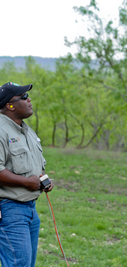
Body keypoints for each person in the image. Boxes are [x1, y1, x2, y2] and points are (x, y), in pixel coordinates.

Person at [0, 82, 54, 267]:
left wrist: (43, 180)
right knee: (18, 264)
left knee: (26, 264)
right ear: (10, 105)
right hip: (9, 210)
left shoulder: (27, 130)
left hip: (30, 210)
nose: (29, 99)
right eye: (23, 97)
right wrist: (26, 183)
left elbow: (37, 166)